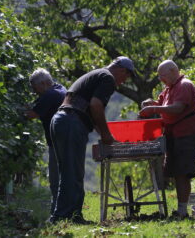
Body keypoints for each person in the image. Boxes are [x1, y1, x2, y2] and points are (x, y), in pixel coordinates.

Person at [49, 56, 136, 224]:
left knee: (68, 171)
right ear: (122, 70)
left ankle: (65, 215)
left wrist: (106, 134)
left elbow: (91, 110)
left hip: (61, 120)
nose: (124, 81)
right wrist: (105, 135)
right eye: (126, 77)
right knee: (73, 172)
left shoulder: (97, 74)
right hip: (71, 122)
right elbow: (96, 106)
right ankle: (66, 217)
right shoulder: (108, 78)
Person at [139, 60, 195, 219]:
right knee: (175, 172)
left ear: (174, 71)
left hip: (187, 133)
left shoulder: (185, 85)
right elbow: (161, 103)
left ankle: (182, 211)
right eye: (159, 76)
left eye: (163, 76)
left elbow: (177, 108)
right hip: (174, 134)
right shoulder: (169, 88)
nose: (161, 79)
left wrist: (153, 108)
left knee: (182, 172)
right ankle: (181, 209)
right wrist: (151, 103)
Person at [24, 68, 67, 215]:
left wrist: (15, 111)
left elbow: (32, 114)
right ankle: (64, 209)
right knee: (66, 175)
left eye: (35, 88)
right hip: (66, 139)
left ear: (43, 83)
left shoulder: (50, 94)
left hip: (57, 142)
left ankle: (57, 212)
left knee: (55, 179)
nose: (35, 92)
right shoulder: (60, 89)